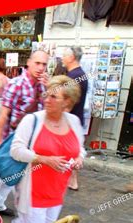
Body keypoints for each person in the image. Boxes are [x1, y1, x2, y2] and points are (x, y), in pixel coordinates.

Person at [0, 75, 85, 223]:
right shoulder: (32, 120)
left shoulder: (73, 122)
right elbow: (16, 150)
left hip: (57, 189)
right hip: (32, 187)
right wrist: (43, 159)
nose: (47, 99)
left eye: (54, 97)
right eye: (47, 94)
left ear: (67, 102)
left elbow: (80, 148)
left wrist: (80, 159)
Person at [0, 50, 49, 215]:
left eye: (44, 64)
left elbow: (48, 113)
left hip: (34, 142)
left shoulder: (44, 86)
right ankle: (20, 214)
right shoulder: (16, 83)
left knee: (15, 176)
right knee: (9, 173)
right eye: (37, 63)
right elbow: (3, 115)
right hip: (14, 139)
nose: (40, 67)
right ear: (29, 62)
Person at [62, 46, 88, 191]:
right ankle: (72, 180)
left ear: (72, 57)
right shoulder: (80, 74)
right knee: (73, 149)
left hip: (71, 118)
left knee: (71, 150)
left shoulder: (73, 76)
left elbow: (68, 101)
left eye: (65, 55)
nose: (62, 58)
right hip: (76, 117)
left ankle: (71, 180)